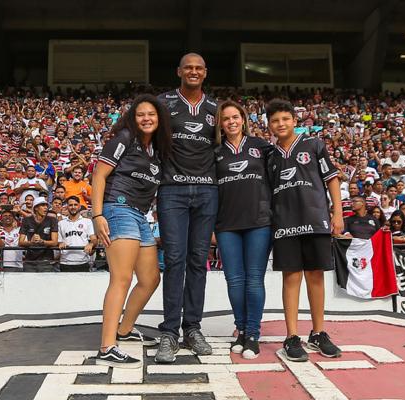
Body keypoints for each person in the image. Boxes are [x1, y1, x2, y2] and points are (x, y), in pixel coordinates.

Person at [90, 94, 169, 367]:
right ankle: (107, 347)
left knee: (150, 279)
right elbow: (99, 175)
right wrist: (97, 214)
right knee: (121, 279)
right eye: (141, 114)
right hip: (116, 209)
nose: (146, 118)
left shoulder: (156, 152)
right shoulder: (124, 138)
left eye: (152, 114)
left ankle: (123, 331)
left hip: (140, 215)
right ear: (133, 119)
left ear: (159, 119)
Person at [264, 98, 343, 361]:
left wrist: (338, 213)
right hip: (284, 224)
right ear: (269, 125)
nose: (280, 124)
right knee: (291, 278)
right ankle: (292, 336)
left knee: (316, 277)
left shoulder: (314, 145)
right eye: (275, 121)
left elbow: (331, 178)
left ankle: (319, 332)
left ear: (294, 121)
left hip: (315, 219)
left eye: (285, 119)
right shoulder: (270, 155)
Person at [155, 52, 218, 363]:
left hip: (207, 190)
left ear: (205, 73)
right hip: (172, 190)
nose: (193, 72)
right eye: (188, 67)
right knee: (175, 260)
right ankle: (169, 331)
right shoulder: (163, 103)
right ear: (179, 70)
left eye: (198, 68)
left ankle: (192, 327)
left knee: (197, 261)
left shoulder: (216, 108)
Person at [213, 99, 272, 359]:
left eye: (235, 117)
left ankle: (253, 334)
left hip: (259, 222)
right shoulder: (215, 152)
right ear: (220, 124)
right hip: (226, 224)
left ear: (244, 119)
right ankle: (240, 329)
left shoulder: (261, 146)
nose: (231, 122)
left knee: (254, 279)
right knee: (234, 280)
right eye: (226, 118)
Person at [56, 195, 96, 272]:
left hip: (83, 261)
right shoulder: (61, 223)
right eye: (70, 205)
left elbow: (94, 239)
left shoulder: (87, 221)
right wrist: (60, 243)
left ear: (79, 206)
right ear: (67, 207)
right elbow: (58, 240)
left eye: (75, 205)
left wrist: (91, 244)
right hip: (65, 262)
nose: (73, 207)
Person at [19, 197, 58, 272]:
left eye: (46, 206)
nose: (46, 208)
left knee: (45, 283)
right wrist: (31, 242)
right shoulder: (26, 220)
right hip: (29, 261)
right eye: (43, 205)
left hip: (46, 260)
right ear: (36, 208)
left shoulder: (52, 220)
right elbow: (20, 242)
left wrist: (41, 241)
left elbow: (54, 242)